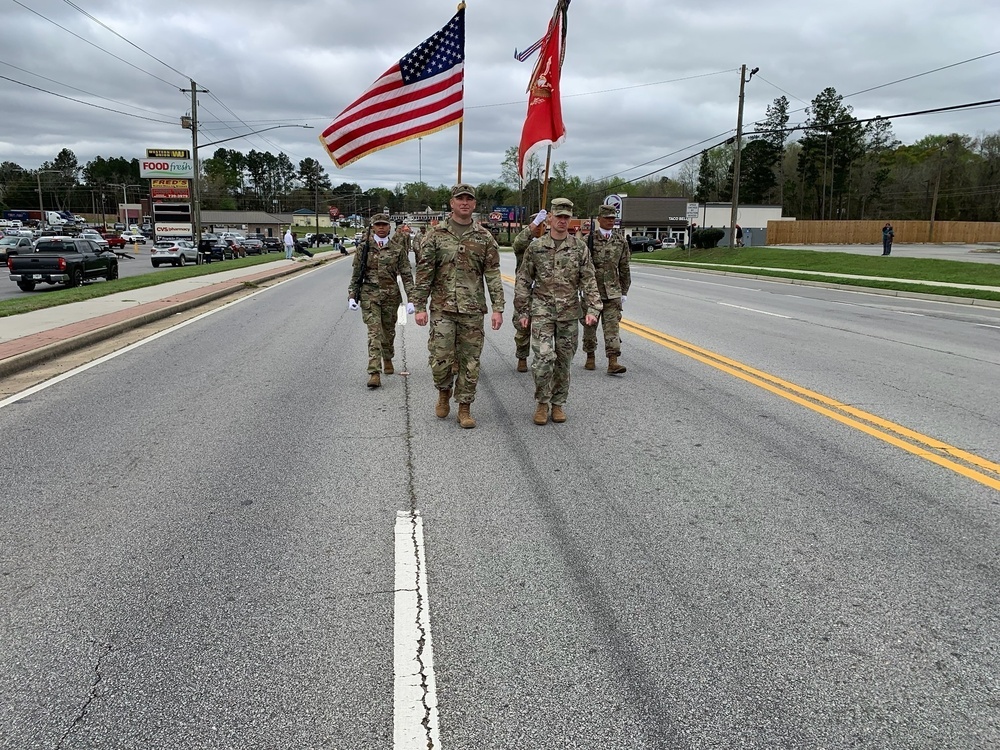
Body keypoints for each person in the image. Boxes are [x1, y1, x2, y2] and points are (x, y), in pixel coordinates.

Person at [412, 184, 505, 429]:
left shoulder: (484, 237)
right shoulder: (435, 235)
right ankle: (443, 392)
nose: (464, 203)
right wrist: (419, 305)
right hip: (442, 308)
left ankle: (465, 407)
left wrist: (498, 308)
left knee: (470, 361)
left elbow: (493, 274)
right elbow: (424, 273)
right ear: (451, 203)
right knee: (440, 358)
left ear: (474, 205)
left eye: (469, 199)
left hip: (472, 310)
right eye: (460, 199)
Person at [514, 197, 601, 426]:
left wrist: (592, 308)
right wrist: (522, 311)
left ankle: (558, 404)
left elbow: (589, 280)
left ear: (570, 219)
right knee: (543, 358)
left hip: (569, 312)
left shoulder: (579, 247)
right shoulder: (536, 247)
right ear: (550, 218)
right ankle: (542, 402)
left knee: (563, 361)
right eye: (558, 216)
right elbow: (524, 280)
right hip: (542, 310)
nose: (562, 221)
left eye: (566, 217)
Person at [348, 214, 415, 389]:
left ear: (389, 227)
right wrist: (352, 296)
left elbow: (407, 275)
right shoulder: (364, 248)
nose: (381, 228)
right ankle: (374, 373)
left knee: (388, 331)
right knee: (374, 333)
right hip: (369, 296)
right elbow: (357, 274)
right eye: (377, 225)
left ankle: (388, 356)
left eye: (384, 225)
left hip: (391, 296)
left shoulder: (397, 249)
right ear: (373, 227)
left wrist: (411, 300)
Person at [582, 203, 631, 375]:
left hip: (613, 292)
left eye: (613, 218)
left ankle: (613, 361)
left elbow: (624, 268)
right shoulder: (588, 240)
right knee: (590, 327)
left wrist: (624, 291)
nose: (611, 221)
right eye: (607, 218)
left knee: (612, 328)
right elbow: (580, 267)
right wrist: (580, 288)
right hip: (592, 292)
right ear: (599, 219)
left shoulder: (620, 241)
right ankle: (590, 356)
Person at [510, 209, 548, 372]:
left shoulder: (549, 242)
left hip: (543, 292)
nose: (540, 227)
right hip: (525, 291)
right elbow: (517, 242)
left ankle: (543, 358)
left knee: (545, 328)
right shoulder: (524, 244)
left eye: (543, 223)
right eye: (538, 224)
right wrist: (535, 223)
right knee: (523, 326)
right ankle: (522, 357)